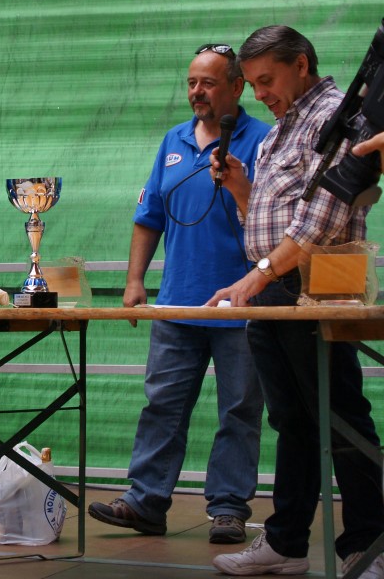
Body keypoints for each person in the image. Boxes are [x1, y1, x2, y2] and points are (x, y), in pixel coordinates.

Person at [207, 25, 384, 577]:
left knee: (340, 417)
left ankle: (368, 546)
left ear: (302, 64)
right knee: (292, 421)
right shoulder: (279, 130)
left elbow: (323, 219)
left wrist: (257, 276)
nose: (259, 94)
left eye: (267, 80)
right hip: (275, 287)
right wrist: (241, 189)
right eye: (253, 84)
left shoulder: (337, 118)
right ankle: (286, 543)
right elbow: (270, 218)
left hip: (314, 287)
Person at [88, 44, 270, 544]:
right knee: (162, 405)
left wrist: (238, 186)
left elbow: (271, 220)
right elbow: (148, 216)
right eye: (191, 82)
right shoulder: (173, 140)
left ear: (237, 87)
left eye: (208, 83)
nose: (197, 92)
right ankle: (145, 501)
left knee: (239, 410)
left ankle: (228, 508)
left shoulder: (263, 139)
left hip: (242, 305)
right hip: (177, 302)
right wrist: (134, 281)